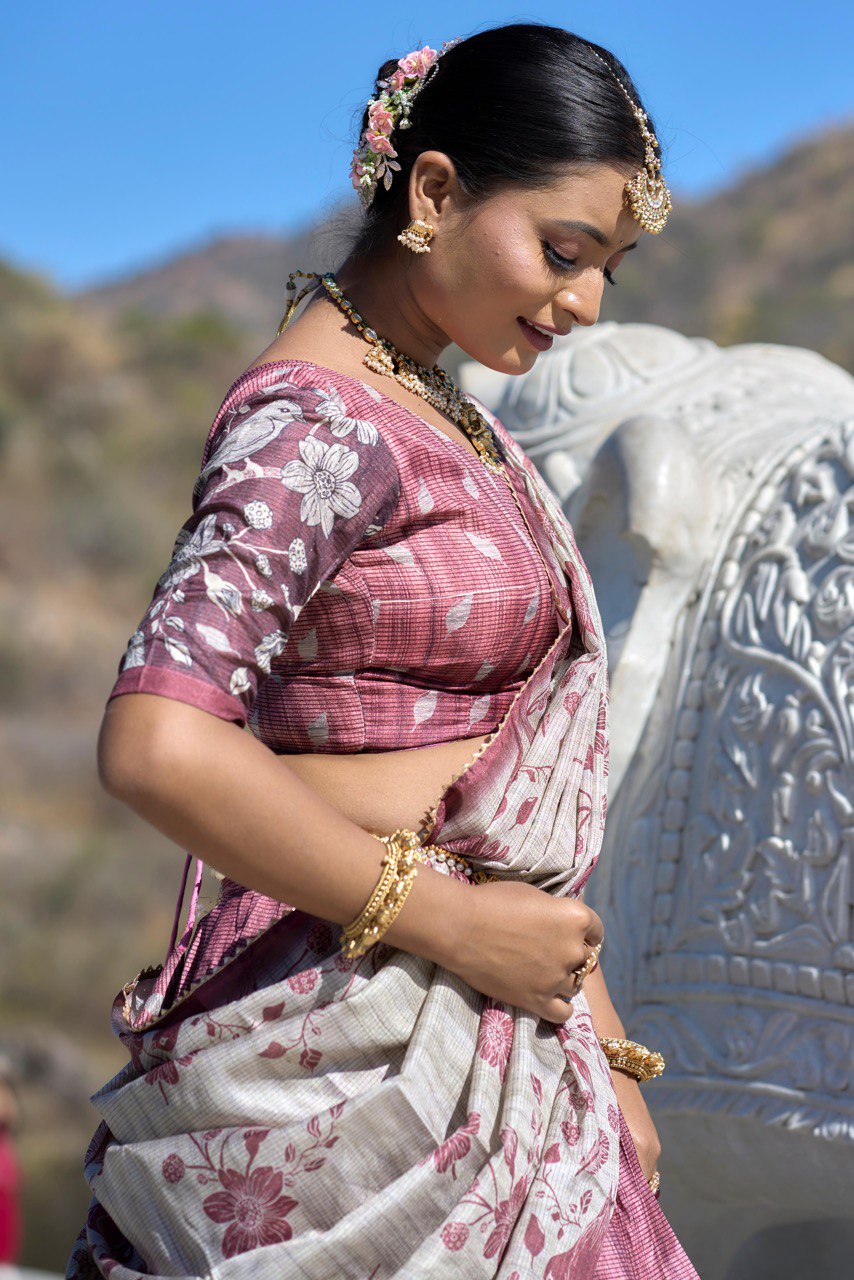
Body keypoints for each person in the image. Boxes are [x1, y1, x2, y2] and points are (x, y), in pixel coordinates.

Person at [67, 21, 698, 1279]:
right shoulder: (316, 420)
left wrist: (600, 1039)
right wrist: (453, 925)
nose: (581, 299)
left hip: (504, 1029)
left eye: (608, 271)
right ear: (433, 190)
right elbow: (157, 740)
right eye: (562, 251)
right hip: (355, 1051)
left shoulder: (448, 414)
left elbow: (510, 796)